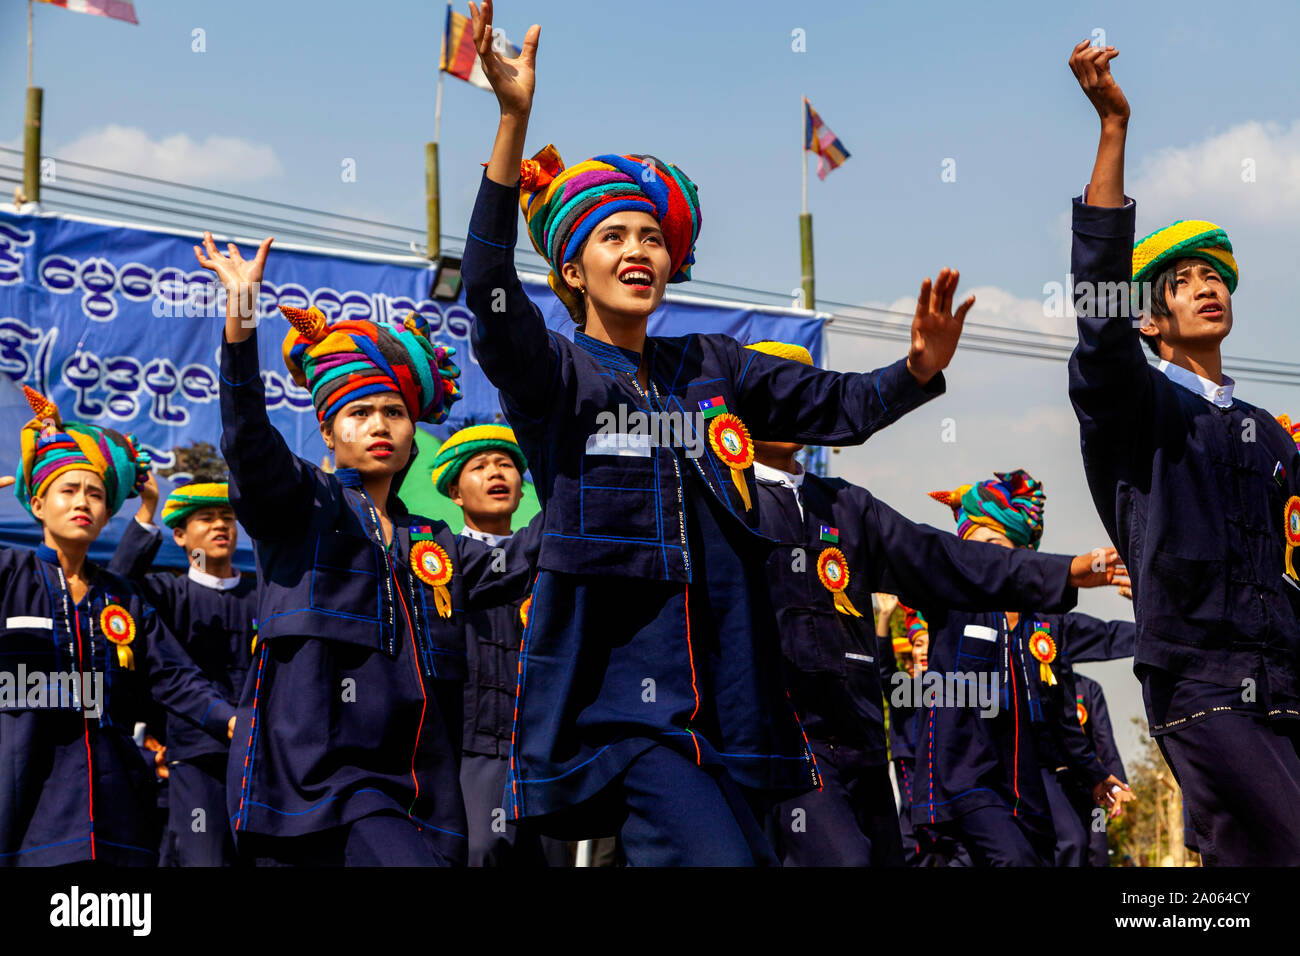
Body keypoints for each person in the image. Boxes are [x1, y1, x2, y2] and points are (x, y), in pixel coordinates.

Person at [460, 0, 976, 865]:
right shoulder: (557, 373)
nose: (639, 250)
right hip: (622, 707)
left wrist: (917, 370)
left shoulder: (712, 364)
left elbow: (837, 408)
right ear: (572, 269)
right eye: (614, 236)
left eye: (654, 238)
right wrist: (515, 121)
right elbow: (487, 293)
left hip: (738, 699)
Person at [196, 232, 529, 866]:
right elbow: (247, 440)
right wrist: (242, 318)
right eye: (361, 412)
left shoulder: (431, 539)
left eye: (395, 413)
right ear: (327, 428)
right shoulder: (302, 503)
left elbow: (520, 556)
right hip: (317, 775)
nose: (380, 425)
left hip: (422, 783)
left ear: (414, 431)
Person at [744, 341, 1127, 867]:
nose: (788, 402)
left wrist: (1068, 570)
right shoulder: (720, 504)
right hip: (780, 741)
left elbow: (947, 559)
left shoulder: (847, 507)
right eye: (770, 388)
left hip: (860, 744)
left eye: (802, 390)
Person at [1066, 39, 1300, 865]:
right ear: (1150, 318)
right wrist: (1113, 128)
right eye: (1183, 278)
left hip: (1287, 685)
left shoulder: (1275, 437)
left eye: (1217, 274)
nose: (1208, 286)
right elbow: (1097, 313)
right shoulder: (1135, 403)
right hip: (1200, 684)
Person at [0, 388, 236, 866]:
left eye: (96, 494)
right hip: (24, 788)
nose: (83, 502)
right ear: (38, 505)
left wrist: (231, 720)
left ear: (109, 514)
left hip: (114, 799)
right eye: (68, 491)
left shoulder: (122, 596)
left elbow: (174, 676)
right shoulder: (10, 575)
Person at [911, 470, 1133, 865]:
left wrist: (1094, 771)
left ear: (1022, 555)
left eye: (996, 547)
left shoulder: (1045, 625)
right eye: (971, 549)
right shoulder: (949, 603)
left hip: (1025, 782)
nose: (982, 559)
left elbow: (1064, 714)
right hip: (964, 779)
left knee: (1051, 853)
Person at [430, 424, 567, 866]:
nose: (497, 473)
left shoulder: (554, 562)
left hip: (543, 750)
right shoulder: (441, 560)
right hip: (475, 750)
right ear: (455, 492)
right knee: (481, 851)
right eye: (481, 466)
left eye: (506, 464)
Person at [107, 474, 255, 866]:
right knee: (203, 859)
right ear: (180, 537)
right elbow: (114, 589)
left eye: (227, 516)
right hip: (195, 761)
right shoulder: (164, 593)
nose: (221, 525)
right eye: (205, 518)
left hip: (263, 758)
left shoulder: (264, 595)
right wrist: (145, 512)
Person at [1073, 672, 1126, 866]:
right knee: (1072, 845)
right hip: (1052, 786)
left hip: (1091, 790)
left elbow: (1105, 741)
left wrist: (1117, 788)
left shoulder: (1088, 688)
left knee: (1098, 848)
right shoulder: (1028, 684)